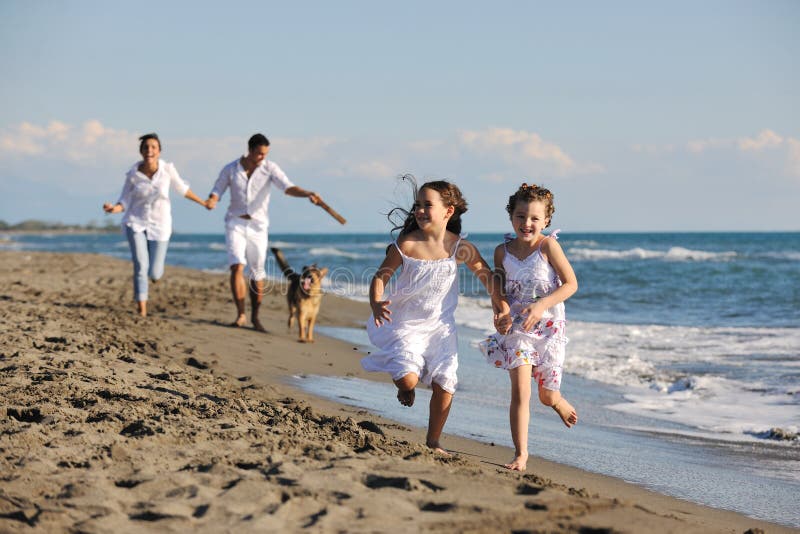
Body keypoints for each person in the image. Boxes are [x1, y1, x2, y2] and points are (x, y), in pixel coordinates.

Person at [362, 177, 508, 455]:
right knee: (408, 379)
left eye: (427, 205)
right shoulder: (406, 244)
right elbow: (380, 277)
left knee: (445, 383)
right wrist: (376, 301)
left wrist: (500, 305)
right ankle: (405, 387)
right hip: (405, 324)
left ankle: (433, 440)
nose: (419, 210)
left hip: (441, 328)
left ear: (448, 211)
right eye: (417, 205)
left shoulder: (460, 247)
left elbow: (487, 277)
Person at [479, 182, 579, 472]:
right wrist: (501, 311)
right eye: (521, 216)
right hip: (519, 329)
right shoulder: (502, 251)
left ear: (546, 221)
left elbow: (571, 284)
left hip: (548, 327)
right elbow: (499, 288)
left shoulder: (548, 246)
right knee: (520, 391)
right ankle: (521, 453)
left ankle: (556, 400)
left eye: (535, 218)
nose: (527, 223)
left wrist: (541, 305)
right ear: (511, 216)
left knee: (546, 396)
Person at [206, 133, 321, 332]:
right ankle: (241, 314)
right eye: (259, 154)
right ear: (250, 150)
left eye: (265, 154)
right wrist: (213, 199)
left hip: (258, 227)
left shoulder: (270, 168)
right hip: (235, 222)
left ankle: (255, 317)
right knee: (236, 266)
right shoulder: (231, 169)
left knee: (257, 273)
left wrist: (307, 193)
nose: (262, 157)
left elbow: (288, 187)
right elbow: (217, 189)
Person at [103, 133, 209, 317]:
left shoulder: (167, 170)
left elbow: (182, 189)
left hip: (160, 225)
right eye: (146, 147)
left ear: (159, 151)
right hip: (135, 223)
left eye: (153, 147)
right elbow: (124, 201)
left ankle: (153, 279)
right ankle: (142, 308)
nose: (149, 150)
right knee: (140, 265)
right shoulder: (133, 174)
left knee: (155, 273)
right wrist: (113, 209)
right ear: (141, 151)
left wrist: (203, 202)